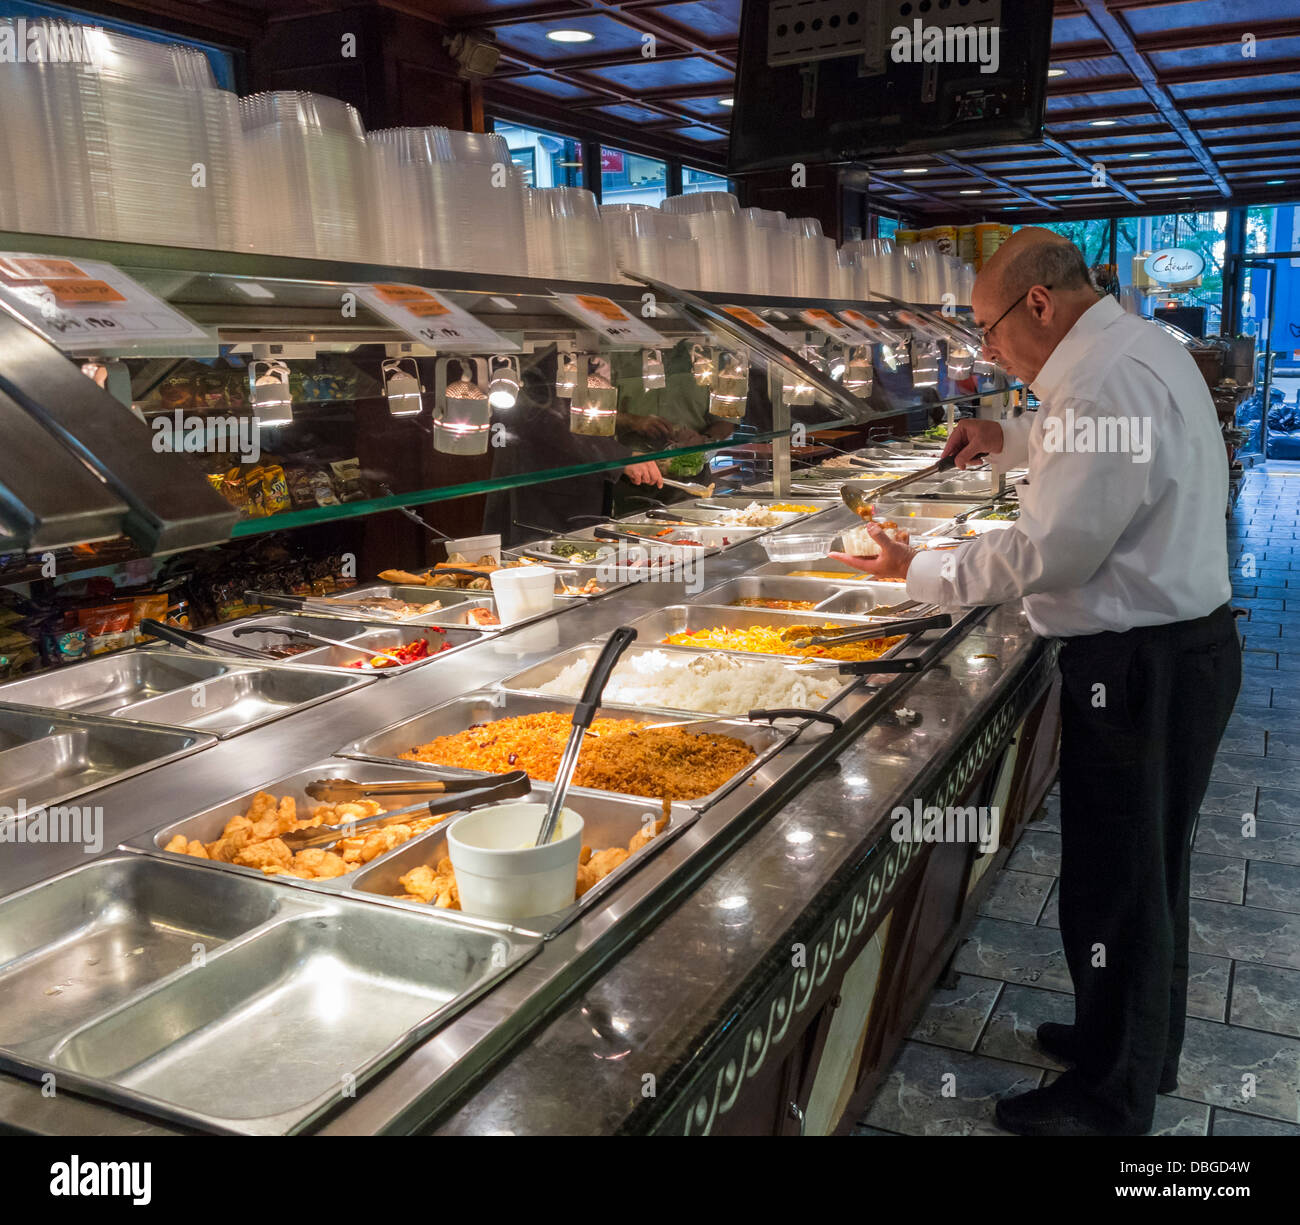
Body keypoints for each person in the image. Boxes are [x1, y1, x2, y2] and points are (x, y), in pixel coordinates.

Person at [831, 228, 1241, 1137]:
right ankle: (1129, 1043)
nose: (987, 349)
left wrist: (918, 572)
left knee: (1121, 881)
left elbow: (1056, 551)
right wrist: (1007, 436)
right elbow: (1097, 448)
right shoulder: (1125, 349)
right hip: (1176, 650)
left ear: (1040, 305)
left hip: (1142, 664)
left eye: (986, 329)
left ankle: (1109, 1100)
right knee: (1143, 870)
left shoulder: (1099, 376)